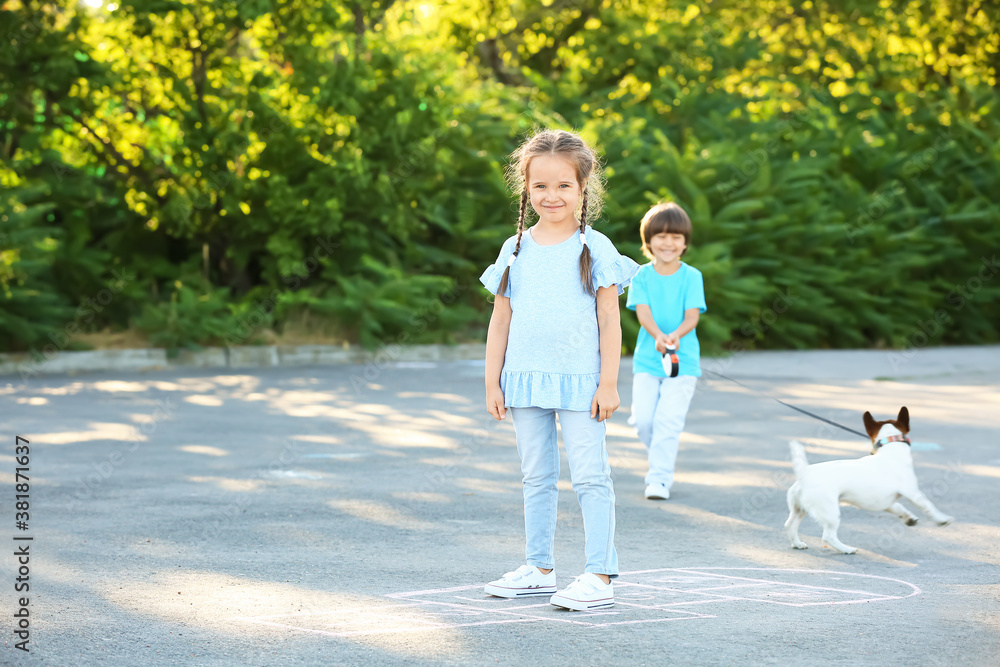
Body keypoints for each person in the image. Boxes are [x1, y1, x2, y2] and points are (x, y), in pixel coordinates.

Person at [479, 129, 639, 611]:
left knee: (591, 477)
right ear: (525, 189)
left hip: (582, 382)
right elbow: (500, 318)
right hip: (524, 380)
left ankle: (600, 574)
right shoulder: (515, 247)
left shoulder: (596, 247)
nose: (552, 196)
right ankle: (539, 568)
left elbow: (609, 319)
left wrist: (608, 382)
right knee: (536, 477)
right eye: (540, 187)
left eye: (563, 186)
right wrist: (493, 380)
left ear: (583, 188)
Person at [626, 202, 706, 500]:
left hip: (683, 362)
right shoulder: (641, 276)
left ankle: (658, 479)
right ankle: (661, 450)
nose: (668, 243)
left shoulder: (692, 276)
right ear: (648, 241)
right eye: (661, 236)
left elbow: (692, 317)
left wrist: (674, 336)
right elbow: (643, 312)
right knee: (645, 421)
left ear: (685, 242)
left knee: (667, 422)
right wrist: (659, 336)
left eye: (675, 237)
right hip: (648, 360)